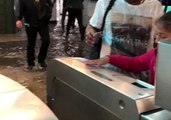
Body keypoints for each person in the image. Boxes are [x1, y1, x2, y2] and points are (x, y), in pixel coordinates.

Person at [84, 11, 171, 85]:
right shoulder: (155, 54)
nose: (157, 40)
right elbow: (135, 63)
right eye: (156, 35)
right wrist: (109, 59)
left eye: (163, 36)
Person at [85, 0, 164, 59]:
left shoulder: (155, 7)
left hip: (141, 75)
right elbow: (92, 26)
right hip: (108, 70)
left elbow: (161, 39)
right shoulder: (106, 2)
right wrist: (90, 33)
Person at [15, 0, 56, 70]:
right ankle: (31, 63)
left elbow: (50, 5)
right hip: (30, 23)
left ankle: (41, 60)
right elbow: (19, 8)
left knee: (46, 41)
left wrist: (48, 16)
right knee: (31, 43)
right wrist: (18, 19)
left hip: (43, 23)